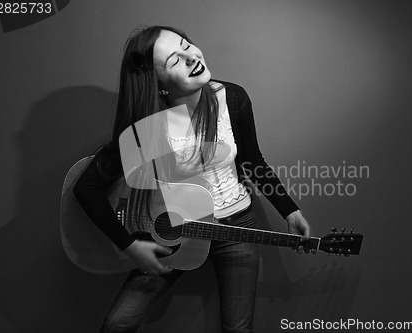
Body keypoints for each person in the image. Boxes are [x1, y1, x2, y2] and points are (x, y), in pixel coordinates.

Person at [73, 25, 312, 333]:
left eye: (186, 44)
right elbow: (87, 188)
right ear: (157, 83)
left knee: (239, 329)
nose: (191, 56)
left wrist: (290, 211)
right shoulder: (148, 127)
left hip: (238, 227)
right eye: (174, 60)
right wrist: (129, 245)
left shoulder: (232, 98)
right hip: (176, 233)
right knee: (117, 324)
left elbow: (252, 161)